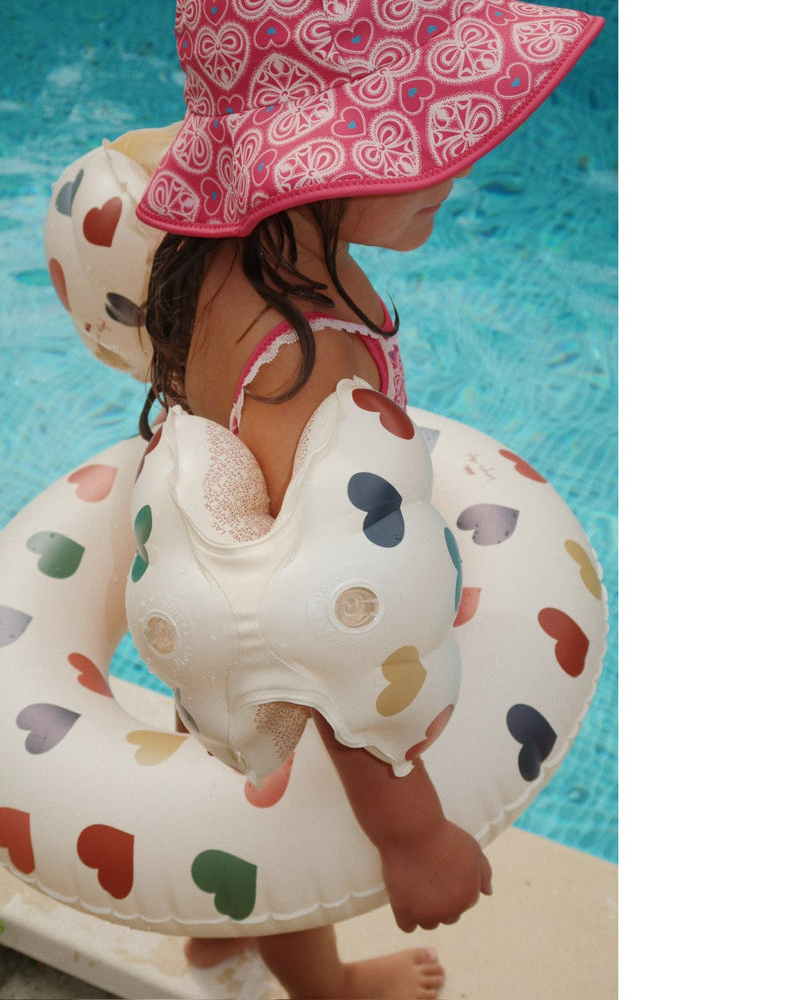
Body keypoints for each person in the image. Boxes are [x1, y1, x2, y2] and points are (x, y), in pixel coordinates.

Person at [128, 3, 604, 997]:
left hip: (233, 583)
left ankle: (219, 937)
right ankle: (327, 986)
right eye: (415, 144)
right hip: (294, 676)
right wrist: (412, 834)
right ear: (307, 170)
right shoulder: (302, 370)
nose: (452, 169)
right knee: (287, 842)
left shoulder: (231, 260)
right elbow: (324, 628)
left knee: (244, 822)